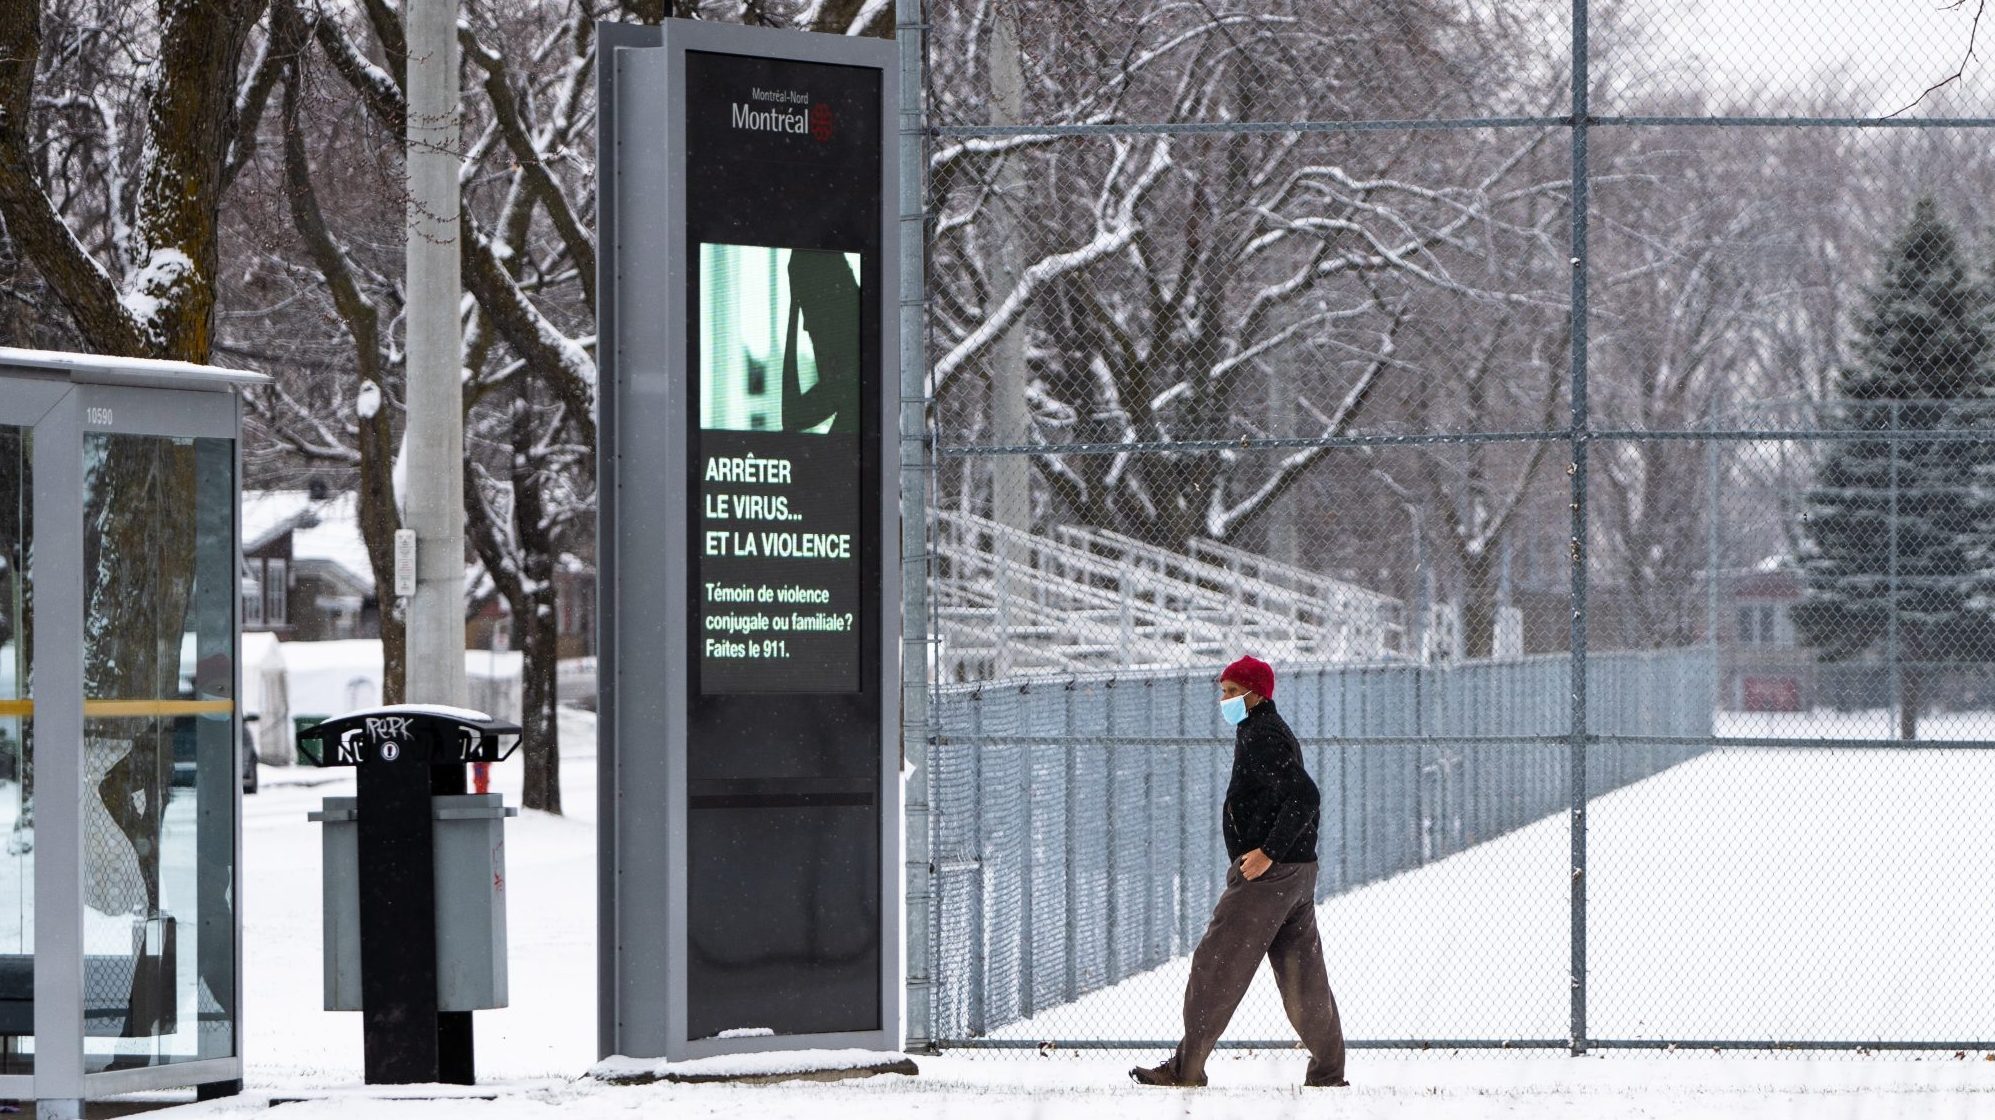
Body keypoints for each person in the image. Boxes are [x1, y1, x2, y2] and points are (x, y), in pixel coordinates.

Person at [1129, 655, 1347, 1089]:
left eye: (1231, 691)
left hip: (1270, 877)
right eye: (1223, 691)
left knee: (1215, 965)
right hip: (1297, 872)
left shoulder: (1262, 734)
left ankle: (1186, 1070)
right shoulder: (1265, 729)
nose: (1224, 699)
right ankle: (1328, 1072)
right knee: (1302, 975)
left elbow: (1305, 796)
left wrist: (1267, 853)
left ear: (1256, 694)